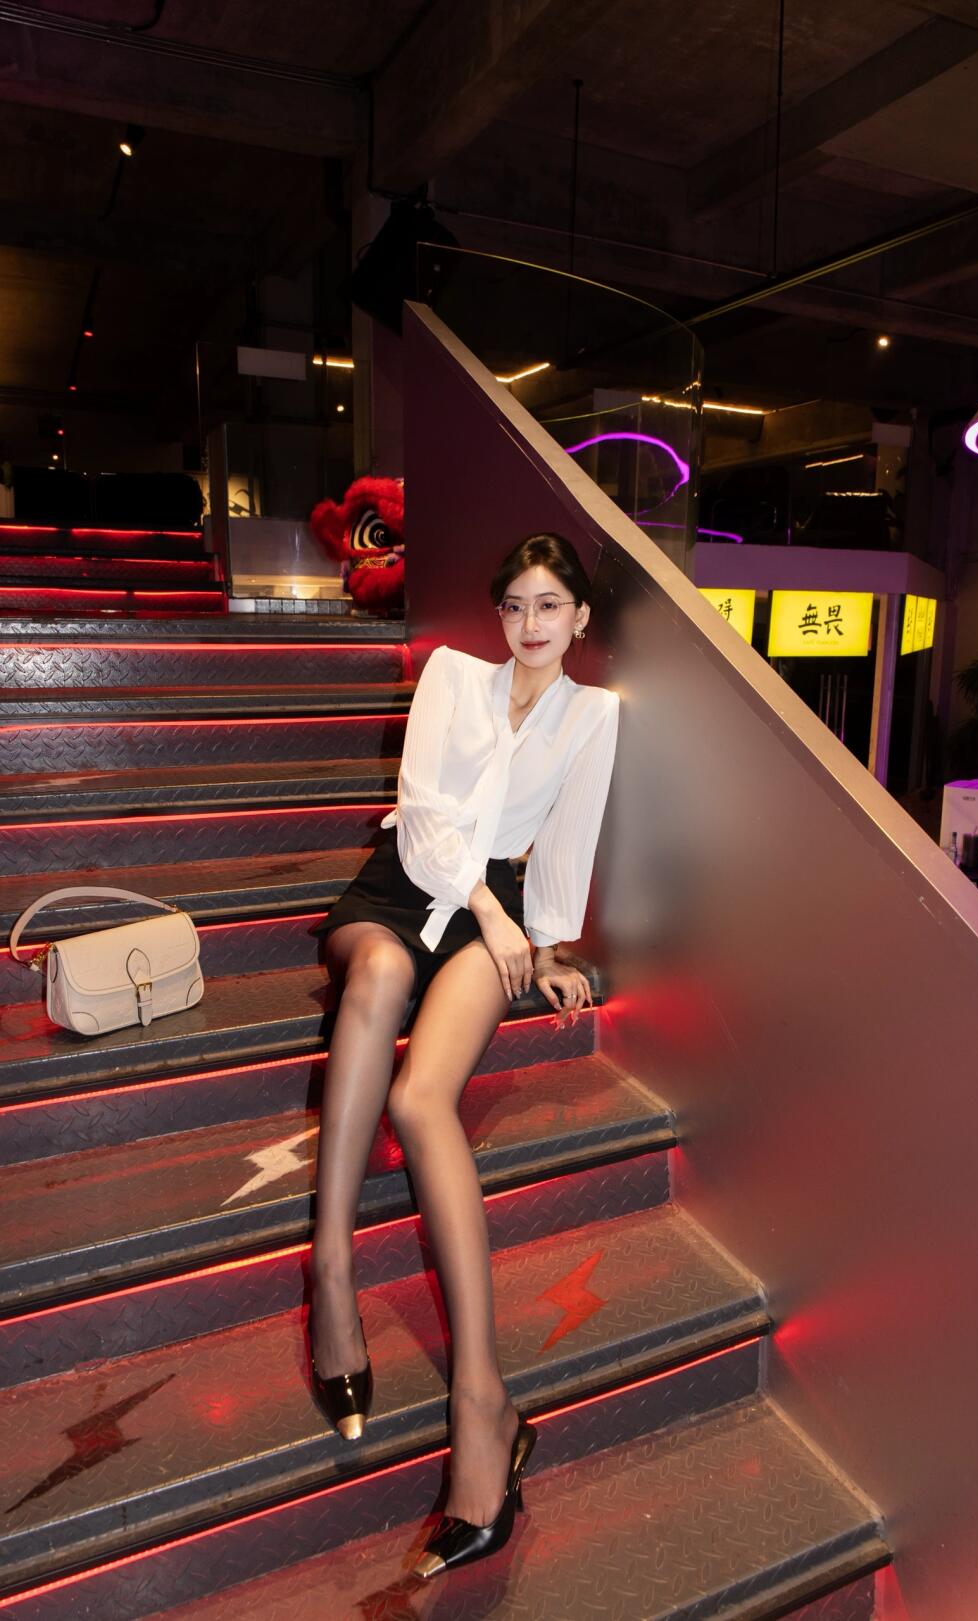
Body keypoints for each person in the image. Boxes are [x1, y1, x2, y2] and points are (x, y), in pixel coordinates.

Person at [307, 531, 620, 1579]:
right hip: (412, 882)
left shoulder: (595, 715)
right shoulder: (450, 675)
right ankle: (334, 1270)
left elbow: (567, 841)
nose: (530, 625)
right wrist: (487, 906)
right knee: (377, 976)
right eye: (516, 605)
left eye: (550, 605)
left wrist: (549, 945)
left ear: (581, 618)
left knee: (420, 1098)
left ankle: (482, 1400)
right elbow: (426, 815)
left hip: (505, 910)